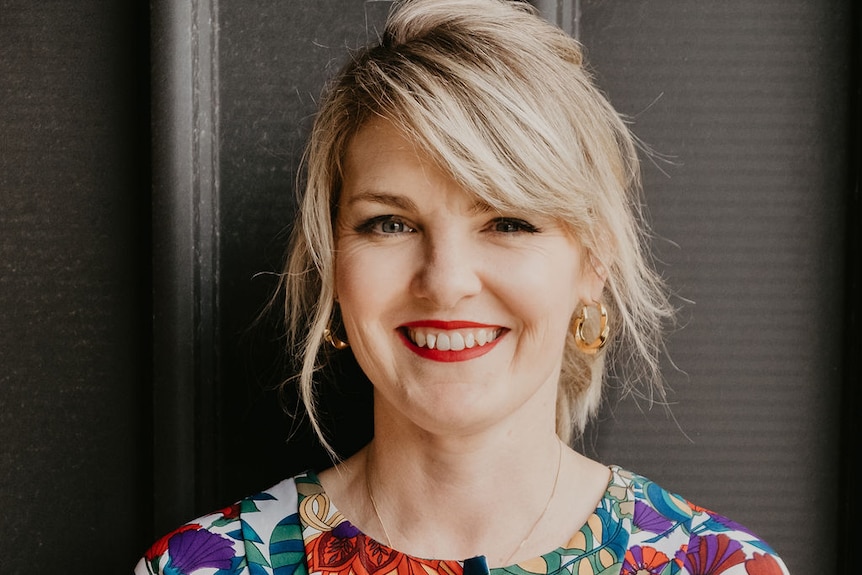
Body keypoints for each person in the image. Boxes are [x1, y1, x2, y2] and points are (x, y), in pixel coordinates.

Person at [135, 1, 790, 574]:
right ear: (333, 261)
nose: (445, 282)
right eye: (390, 223)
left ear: (594, 263)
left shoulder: (721, 567)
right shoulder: (207, 567)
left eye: (508, 221)